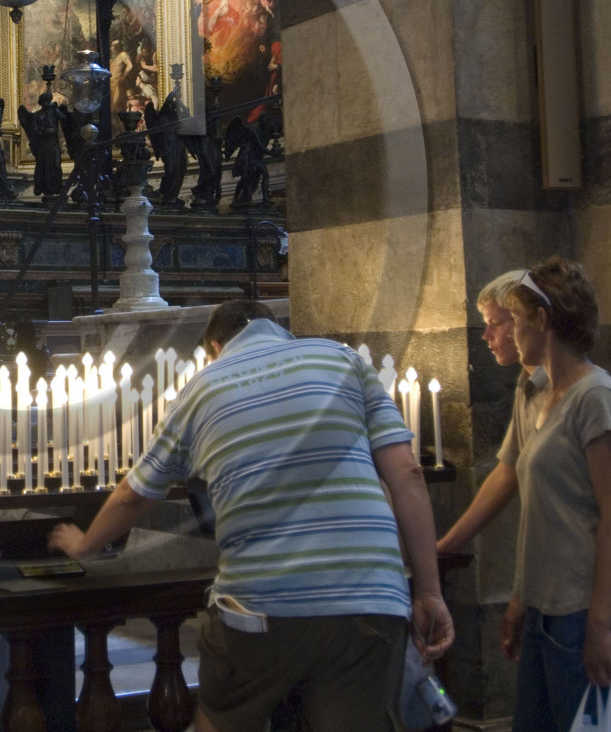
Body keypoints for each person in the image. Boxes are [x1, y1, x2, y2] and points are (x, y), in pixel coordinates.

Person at [50, 299, 454, 732]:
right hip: (369, 597)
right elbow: (408, 474)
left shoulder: (201, 387)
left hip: (261, 605)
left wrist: (85, 543)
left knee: (221, 718)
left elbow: (135, 493)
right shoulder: (344, 360)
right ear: (278, 330)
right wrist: (429, 591)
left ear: (214, 348)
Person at [493, 258, 611, 732]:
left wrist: (600, 625)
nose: (513, 331)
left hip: (589, 612)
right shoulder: (543, 396)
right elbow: (546, 516)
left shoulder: (596, 398)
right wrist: (522, 596)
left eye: (517, 320)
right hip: (549, 610)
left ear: (542, 321)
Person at [437, 270, 611, 556]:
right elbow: (508, 471)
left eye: (498, 323)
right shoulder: (527, 385)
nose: (486, 335)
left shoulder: (576, 385)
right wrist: (446, 546)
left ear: (533, 319)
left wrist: (597, 467)